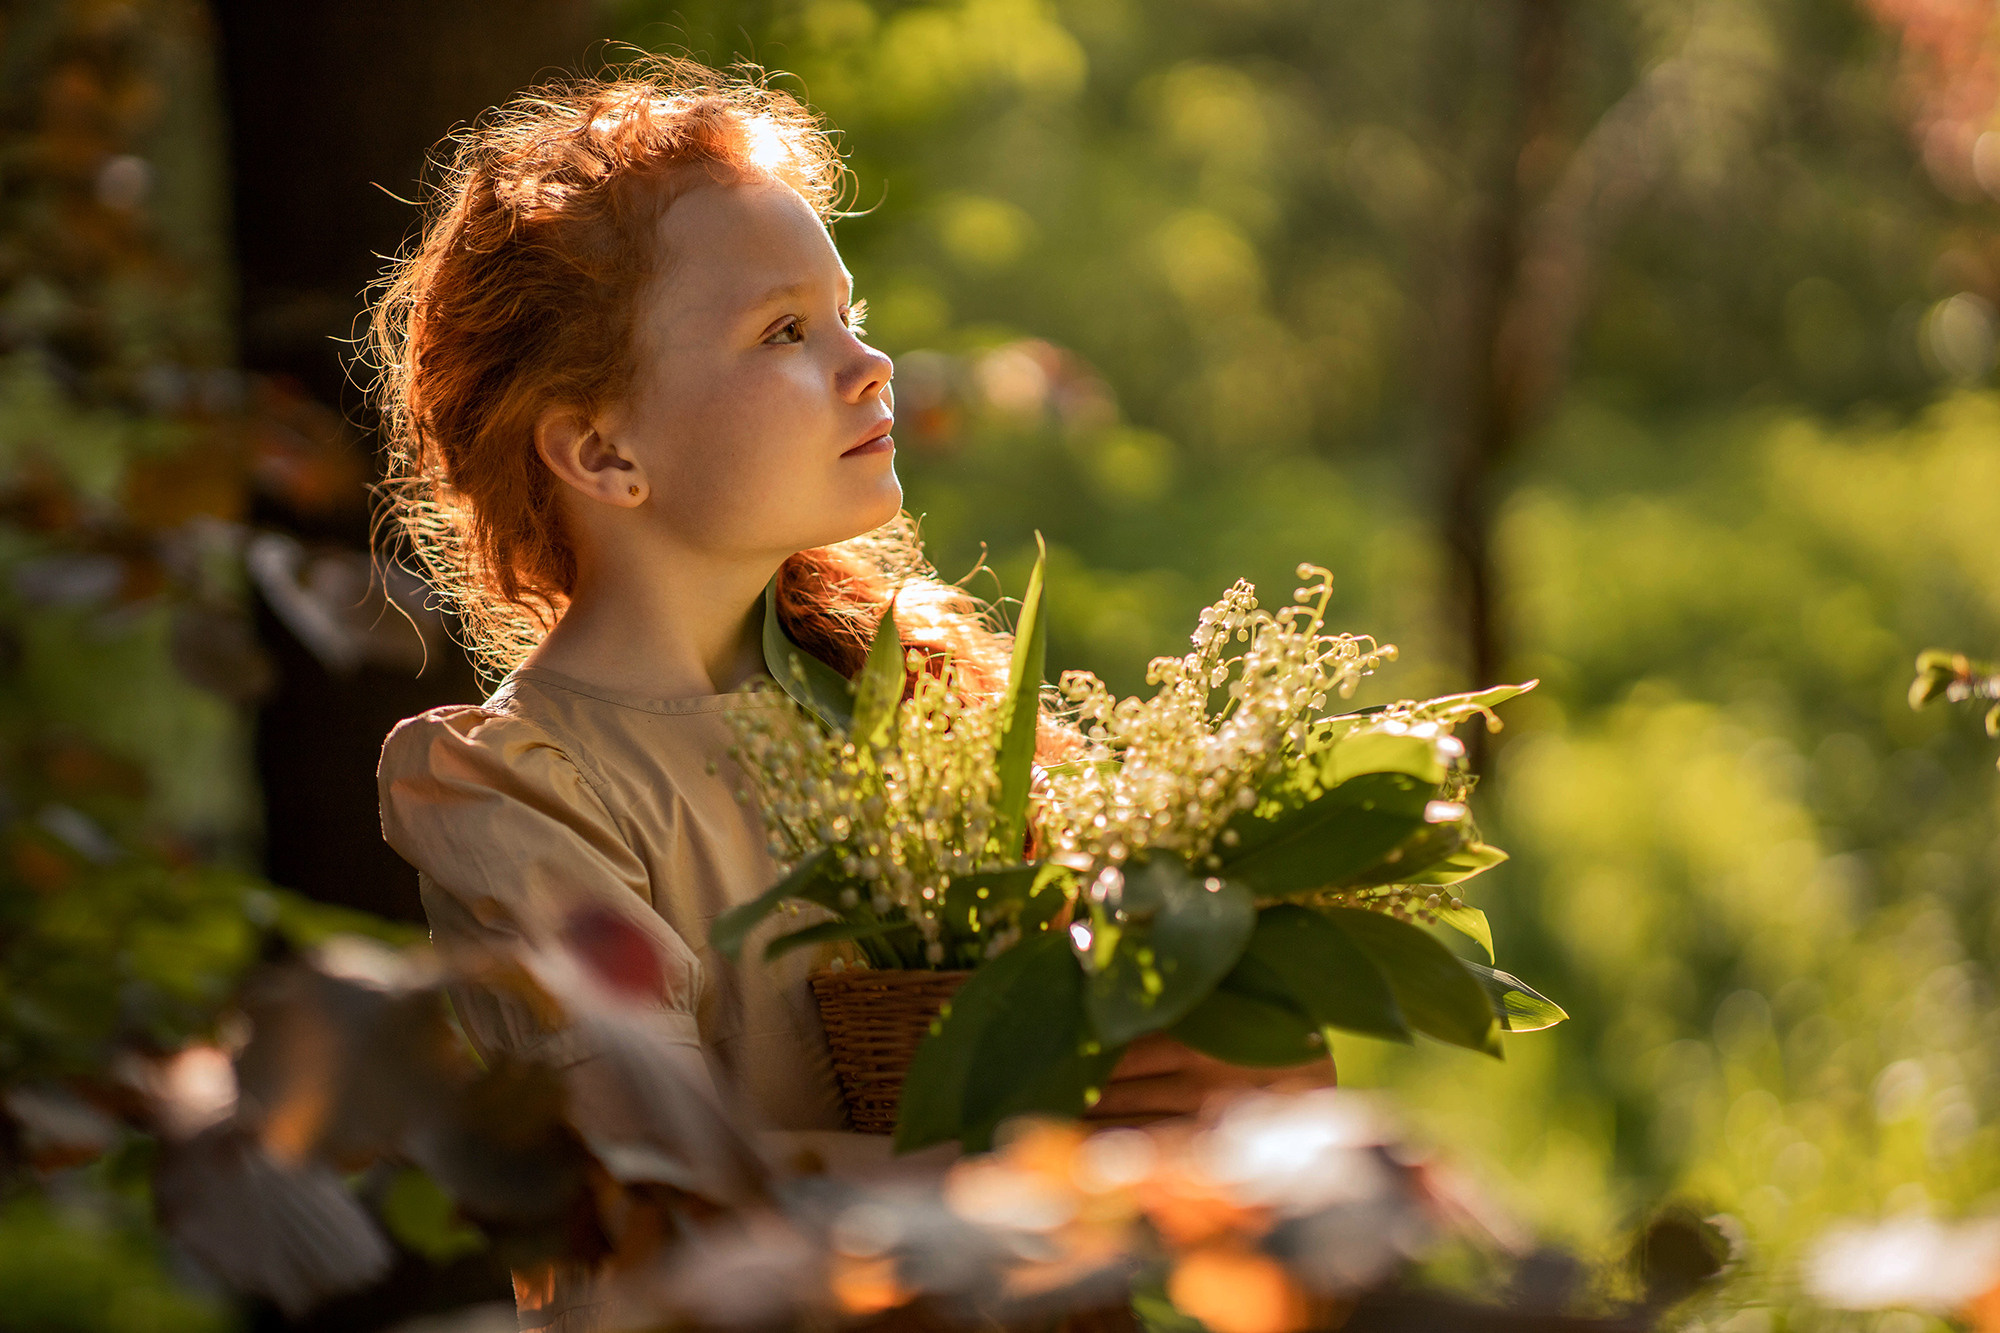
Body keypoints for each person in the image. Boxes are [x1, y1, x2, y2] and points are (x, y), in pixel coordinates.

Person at [368, 53, 1328, 1332]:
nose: (870, 363)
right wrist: (1073, 1173)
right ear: (602, 448)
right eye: (783, 331)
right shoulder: (517, 789)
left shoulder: (918, 709)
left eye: (845, 311)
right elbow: (664, 1184)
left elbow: (1149, 1051)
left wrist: (1240, 1084)